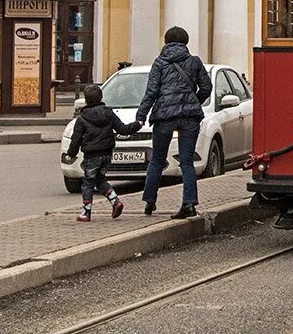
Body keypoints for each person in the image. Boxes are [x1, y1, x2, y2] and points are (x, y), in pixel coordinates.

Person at [136, 26, 212, 219]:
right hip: (189, 117)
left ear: (166, 41)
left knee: (157, 160)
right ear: (185, 41)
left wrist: (141, 115)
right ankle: (189, 204)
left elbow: (151, 92)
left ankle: (149, 201)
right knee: (186, 161)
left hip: (164, 116)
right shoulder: (194, 62)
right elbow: (206, 87)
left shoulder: (160, 63)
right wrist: (193, 100)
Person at [62, 84, 141, 222]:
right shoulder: (109, 113)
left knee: (87, 183)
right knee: (100, 180)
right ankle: (116, 202)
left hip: (92, 155)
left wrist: (70, 154)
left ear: (86, 100)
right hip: (107, 154)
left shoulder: (82, 119)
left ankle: (86, 213)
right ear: (101, 98)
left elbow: (76, 139)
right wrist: (137, 124)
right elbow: (123, 129)